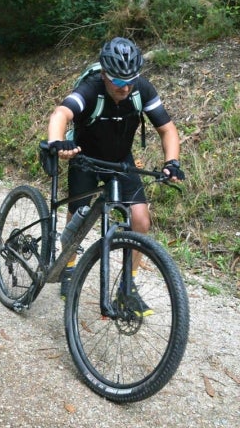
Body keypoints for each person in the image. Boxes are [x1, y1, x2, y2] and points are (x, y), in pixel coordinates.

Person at [47, 37, 185, 308]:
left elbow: (167, 129)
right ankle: (70, 267)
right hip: (85, 158)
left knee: (141, 220)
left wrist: (172, 162)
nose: (125, 87)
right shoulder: (91, 89)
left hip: (121, 160)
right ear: (104, 75)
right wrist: (57, 142)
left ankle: (127, 286)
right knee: (79, 216)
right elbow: (61, 114)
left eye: (131, 80)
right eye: (118, 81)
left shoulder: (140, 90)